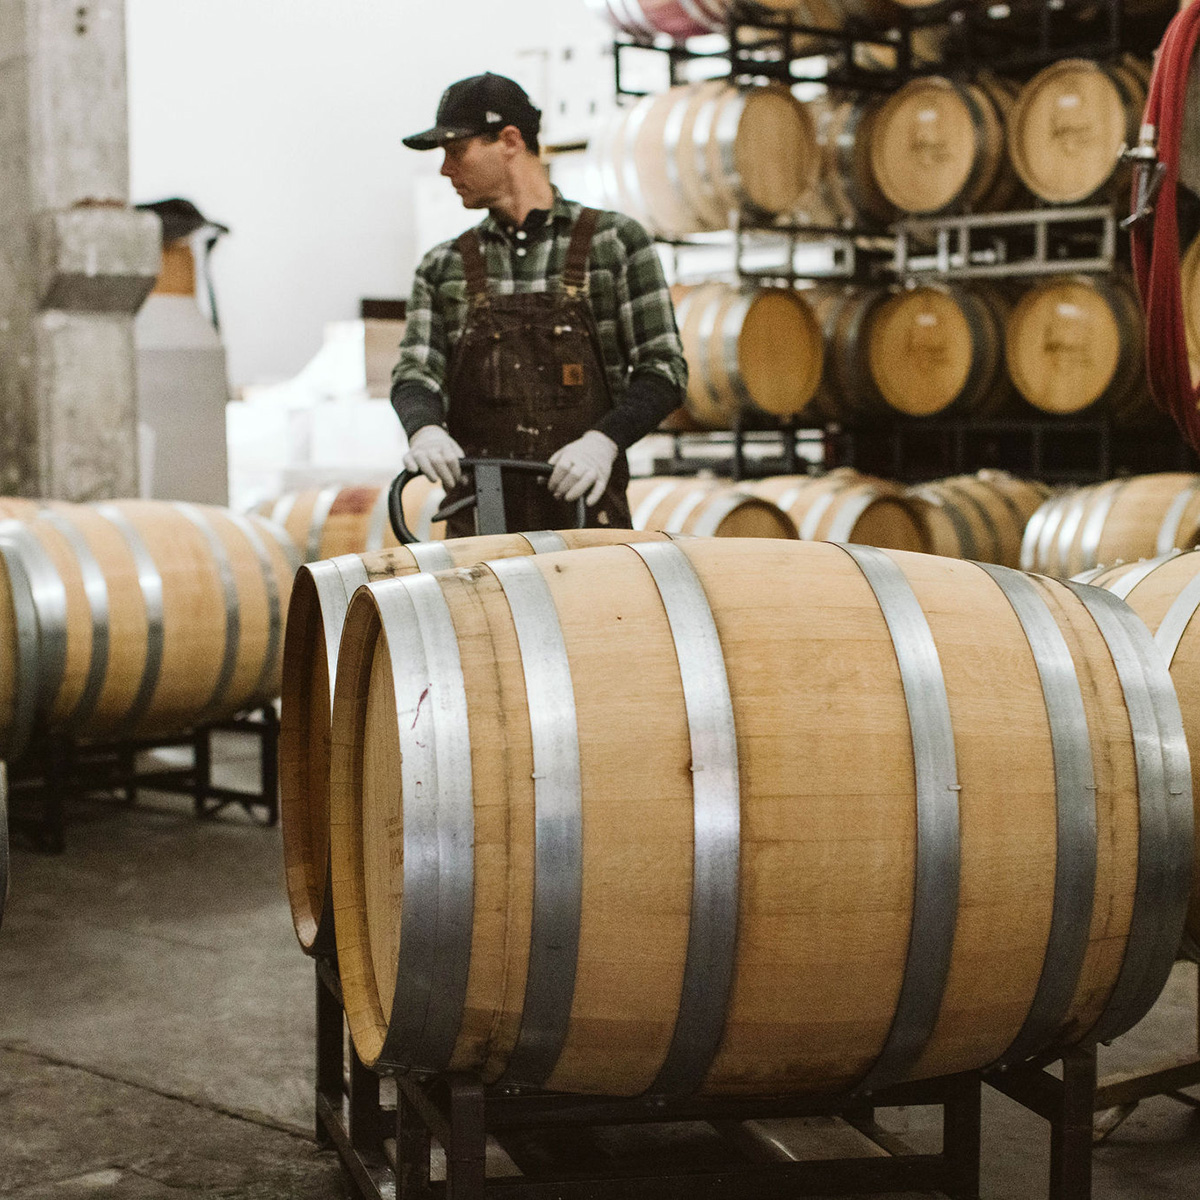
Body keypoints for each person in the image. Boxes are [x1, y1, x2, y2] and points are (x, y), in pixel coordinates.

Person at [391, 72, 687, 536]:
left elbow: (663, 370)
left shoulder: (615, 243)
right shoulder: (444, 264)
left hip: (586, 517)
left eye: (456, 150)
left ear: (509, 140)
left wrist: (602, 442)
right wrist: (425, 429)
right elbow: (415, 373)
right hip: (481, 517)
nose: (445, 169)